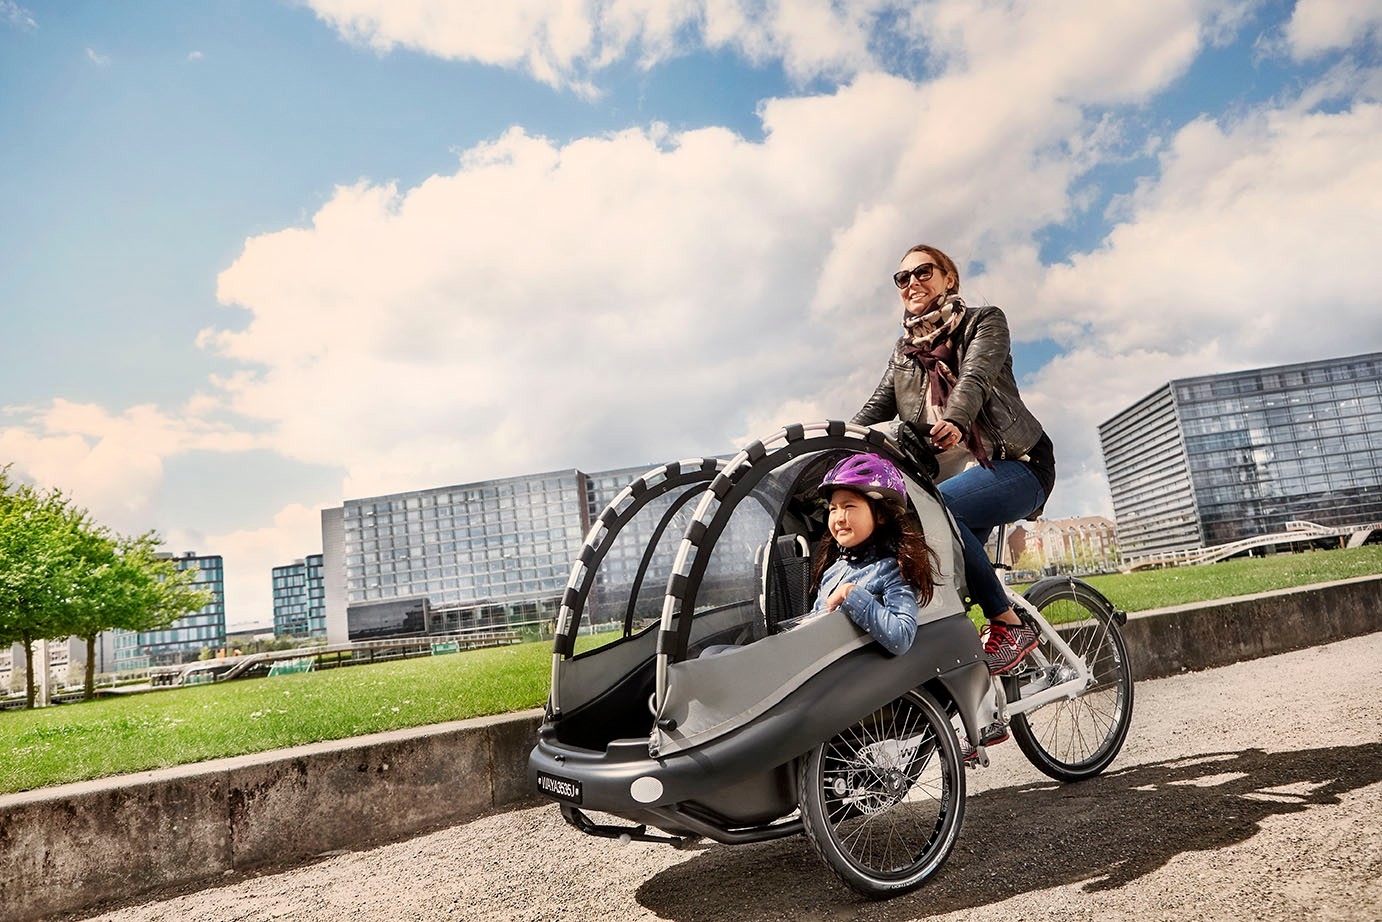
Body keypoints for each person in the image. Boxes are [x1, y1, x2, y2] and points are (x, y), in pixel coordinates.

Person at [853, 244, 1056, 676]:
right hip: (948, 485)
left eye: (923, 272)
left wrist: (957, 419)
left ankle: (1009, 625)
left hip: (1018, 465)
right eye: (902, 278)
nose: (912, 283)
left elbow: (975, 378)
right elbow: (871, 413)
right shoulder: (904, 354)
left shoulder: (985, 322)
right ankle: (975, 697)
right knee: (940, 582)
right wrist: (833, 445)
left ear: (949, 279)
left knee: (935, 512)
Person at [803, 452, 938, 656]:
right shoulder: (833, 569)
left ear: (881, 514)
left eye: (848, 506)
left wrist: (850, 594)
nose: (838, 518)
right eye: (833, 509)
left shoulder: (892, 569)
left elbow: (901, 637)